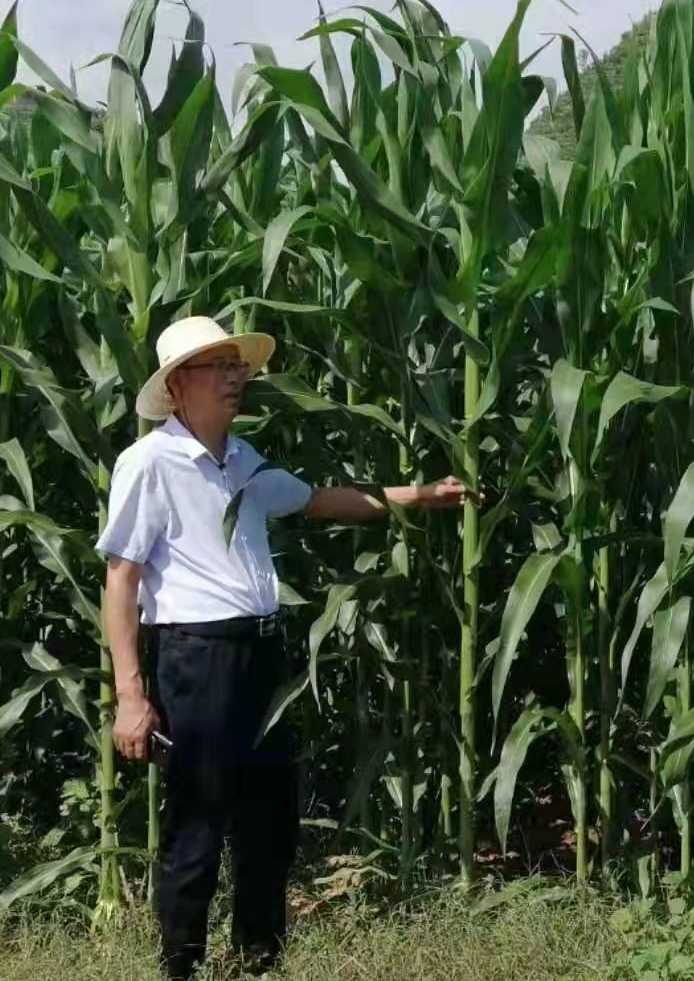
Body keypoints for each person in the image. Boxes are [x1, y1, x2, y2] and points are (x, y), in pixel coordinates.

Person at [99, 315, 471, 980]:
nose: (234, 378)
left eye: (236, 366)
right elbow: (121, 578)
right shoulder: (149, 463)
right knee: (198, 829)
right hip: (198, 658)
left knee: (269, 828)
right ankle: (179, 968)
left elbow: (321, 502)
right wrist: (131, 695)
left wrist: (423, 496)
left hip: (263, 658)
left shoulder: (242, 461)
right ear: (179, 385)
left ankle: (256, 966)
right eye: (218, 367)